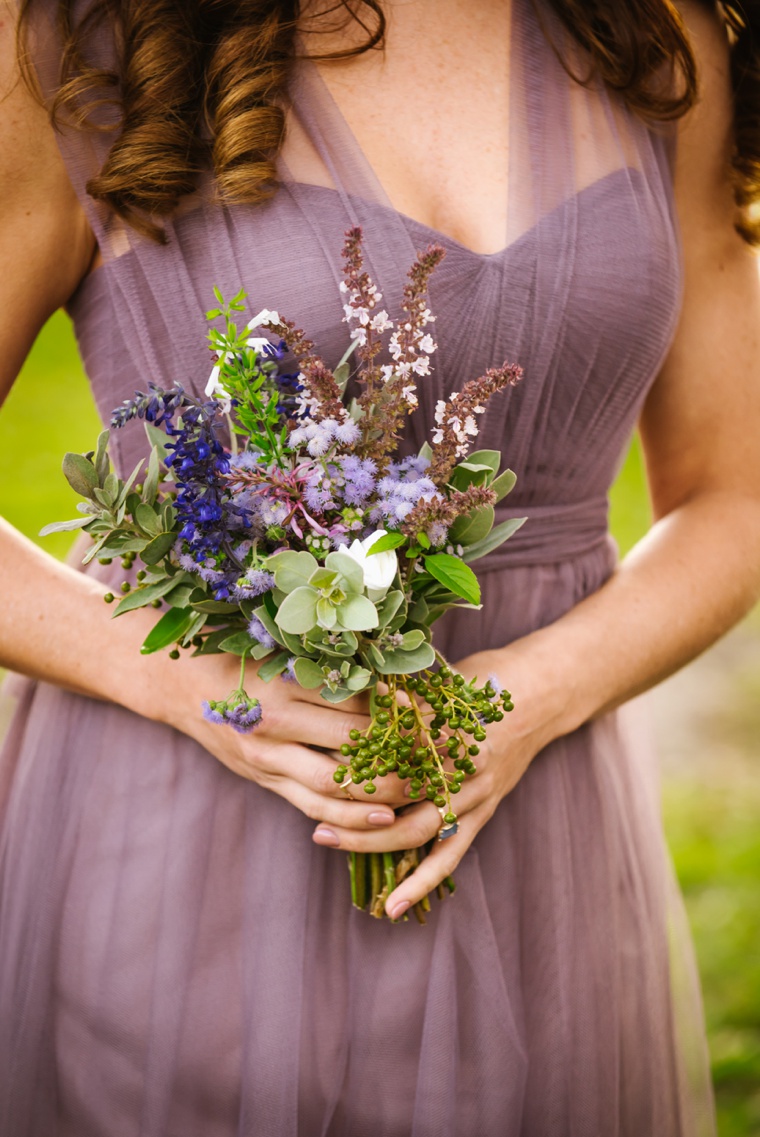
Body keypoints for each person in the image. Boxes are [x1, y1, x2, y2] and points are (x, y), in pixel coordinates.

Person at [1, 0, 759, 1132]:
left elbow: (736, 494)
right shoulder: (83, 38)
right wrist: (186, 685)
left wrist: (531, 696)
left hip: (538, 838)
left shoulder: (654, 38)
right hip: (183, 849)